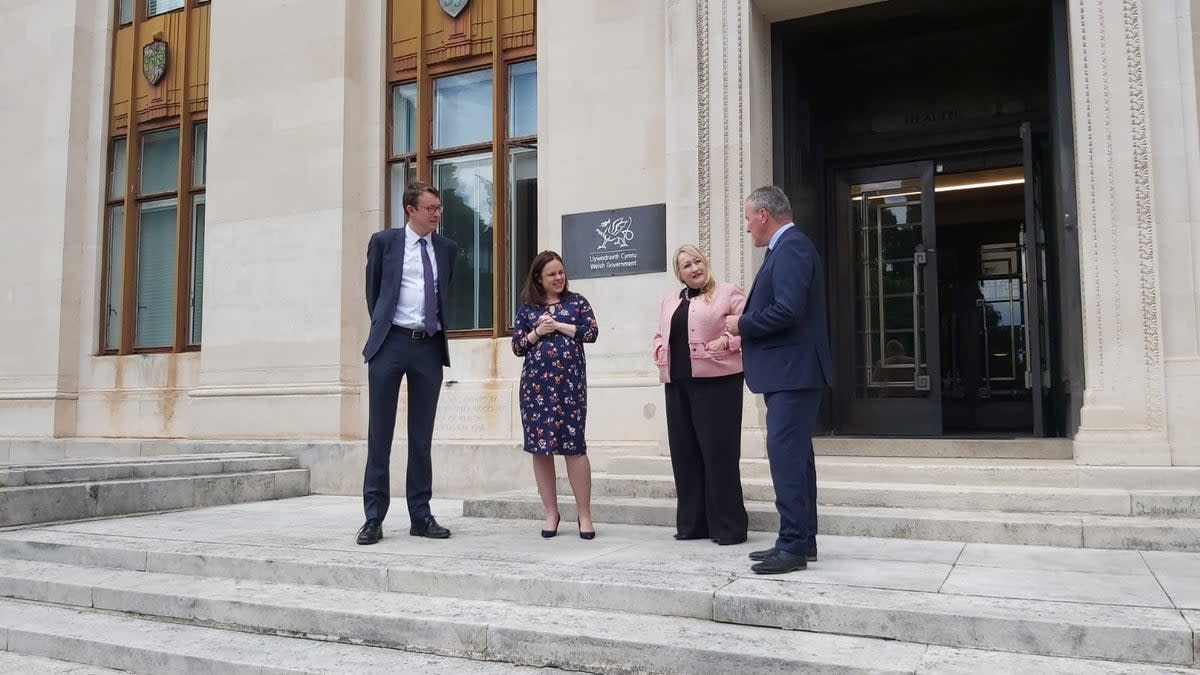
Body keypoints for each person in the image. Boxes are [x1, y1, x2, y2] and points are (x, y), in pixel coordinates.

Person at [724, 186, 833, 574]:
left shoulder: (792, 248)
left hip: (794, 372)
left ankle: (792, 546)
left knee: (786, 458)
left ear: (764, 215)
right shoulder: (786, 249)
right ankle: (803, 539)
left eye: (748, 218)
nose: (748, 227)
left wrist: (742, 324)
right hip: (790, 372)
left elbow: (788, 308)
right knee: (797, 459)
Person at [357, 181, 459, 545]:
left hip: (428, 347)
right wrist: (386, 330)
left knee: (421, 437)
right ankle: (373, 518)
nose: (436, 214)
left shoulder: (447, 249)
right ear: (410, 209)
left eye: (438, 208)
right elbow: (374, 293)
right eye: (430, 208)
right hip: (390, 344)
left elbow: (444, 292)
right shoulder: (384, 242)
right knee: (379, 434)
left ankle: (421, 514)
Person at [652, 245, 749, 545]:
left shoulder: (728, 292)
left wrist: (728, 342)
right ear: (679, 274)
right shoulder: (670, 300)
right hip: (677, 383)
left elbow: (752, 328)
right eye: (686, 266)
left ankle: (728, 527)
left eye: (697, 261)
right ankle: (693, 525)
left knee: (718, 454)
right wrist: (657, 349)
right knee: (685, 454)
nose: (694, 268)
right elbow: (660, 334)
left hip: (718, 384)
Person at [511, 251, 600, 539]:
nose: (558, 277)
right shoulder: (527, 309)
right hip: (535, 389)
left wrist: (559, 326)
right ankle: (551, 513)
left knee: (574, 448)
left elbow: (591, 333)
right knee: (541, 448)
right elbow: (518, 346)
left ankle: (584, 515)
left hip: (570, 388)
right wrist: (538, 331)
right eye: (551, 273)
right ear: (539, 277)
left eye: (560, 272)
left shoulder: (577, 302)